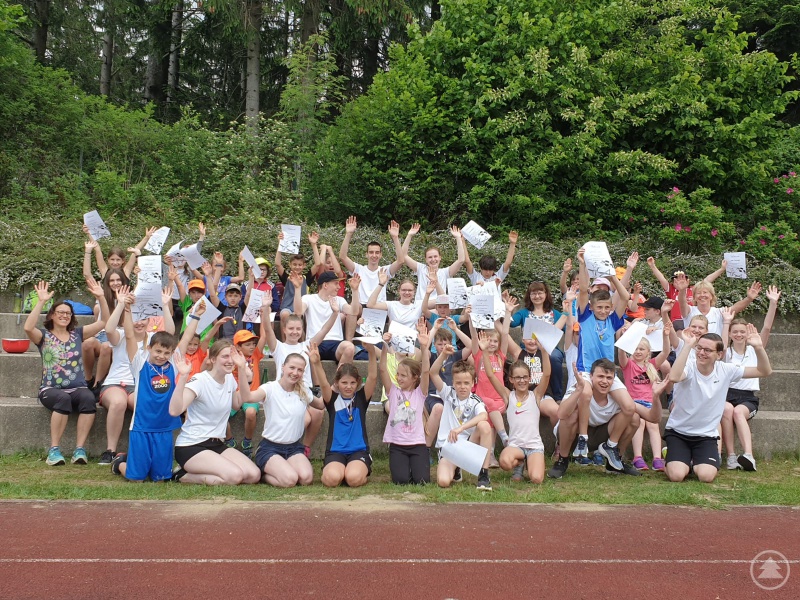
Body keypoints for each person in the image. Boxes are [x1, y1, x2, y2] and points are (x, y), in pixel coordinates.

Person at [655, 327, 772, 483]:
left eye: (708, 350)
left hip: (706, 436)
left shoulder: (726, 369)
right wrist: (688, 345)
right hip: (678, 432)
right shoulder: (689, 366)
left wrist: (758, 347)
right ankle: (674, 456)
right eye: (700, 348)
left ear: (719, 355)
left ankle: (689, 460)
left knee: (706, 476)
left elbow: (764, 371)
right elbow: (675, 377)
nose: (702, 352)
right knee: (676, 476)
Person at [24, 279, 109, 466]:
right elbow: (28, 327)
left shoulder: (77, 334)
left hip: (77, 387)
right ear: (52, 315)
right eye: (60, 312)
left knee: (88, 397)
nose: (64, 316)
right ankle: (54, 451)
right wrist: (40, 302)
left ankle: (80, 450)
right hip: (50, 389)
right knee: (63, 399)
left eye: (68, 313)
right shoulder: (44, 336)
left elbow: (104, 321)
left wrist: (101, 297)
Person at [569, 247, 636, 472]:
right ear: (591, 307)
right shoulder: (585, 315)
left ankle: (611, 445)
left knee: (629, 407)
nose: (605, 310)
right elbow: (583, 294)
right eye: (600, 307)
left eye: (608, 307)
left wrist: (618, 275)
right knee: (585, 393)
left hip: (608, 371)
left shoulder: (613, 320)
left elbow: (624, 297)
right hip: (587, 369)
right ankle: (583, 439)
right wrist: (582, 264)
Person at [109, 292, 186, 481]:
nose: (161, 355)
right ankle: (120, 463)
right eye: (158, 351)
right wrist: (126, 310)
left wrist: (167, 305)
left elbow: (171, 335)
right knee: (136, 478)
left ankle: (146, 463)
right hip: (142, 427)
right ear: (149, 348)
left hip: (163, 428)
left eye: (165, 352)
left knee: (161, 478)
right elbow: (128, 336)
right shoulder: (140, 363)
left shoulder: (173, 364)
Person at [170, 341, 262, 485]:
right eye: (225, 356)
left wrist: (243, 370)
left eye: (232, 356)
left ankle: (202, 471)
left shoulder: (229, 378)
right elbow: (175, 411)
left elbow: (237, 404)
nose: (230, 360)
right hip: (192, 445)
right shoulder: (200, 381)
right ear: (212, 359)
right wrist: (183, 377)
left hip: (216, 444)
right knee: (235, 476)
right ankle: (181, 474)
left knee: (254, 475)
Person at [262, 291, 341, 455]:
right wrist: (265, 308)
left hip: (306, 392)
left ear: (302, 330)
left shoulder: (307, 345)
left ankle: (304, 447)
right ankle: (288, 446)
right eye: (291, 328)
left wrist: (335, 313)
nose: (294, 332)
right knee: (305, 419)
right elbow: (268, 330)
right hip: (284, 392)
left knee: (318, 413)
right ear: (284, 330)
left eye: (298, 329)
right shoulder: (278, 347)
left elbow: (324, 330)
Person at [240, 350, 326, 487]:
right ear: (283, 367)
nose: (295, 372)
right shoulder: (270, 388)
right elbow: (247, 398)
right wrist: (240, 368)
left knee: (306, 478)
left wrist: (319, 367)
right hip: (270, 448)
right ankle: (264, 474)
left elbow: (321, 404)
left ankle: (282, 468)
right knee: (290, 480)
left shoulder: (303, 390)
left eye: (300, 370)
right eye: (292, 367)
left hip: (294, 447)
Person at [721, 285, 780, 471]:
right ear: (730, 334)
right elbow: (721, 347)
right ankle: (730, 456)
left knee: (739, 412)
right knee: (727, 409)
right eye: (735, 331)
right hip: (727, 394)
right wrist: (726, 322)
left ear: (747, 334)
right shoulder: (727, 352)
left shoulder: (754, 349)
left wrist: (773, 303)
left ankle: (748, 455)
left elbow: (768, 327)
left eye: (742, 331)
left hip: (747, 398)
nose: (738, 334)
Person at [549, 361, 643, 478]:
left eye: (609, 378)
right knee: (572, 414)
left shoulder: (617, 393)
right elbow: (561, 414)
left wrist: (655, 395)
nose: (604, 381)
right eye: (600, 376)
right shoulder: (582, 385)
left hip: (597, 436)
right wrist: (579, 390)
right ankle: (562, 460)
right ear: (591, 377)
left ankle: (615, 460)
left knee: (634, 418)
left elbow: (650, 416)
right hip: (574, 437)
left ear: (614, 380)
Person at [482, 332, 551, 484]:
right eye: (518, 377)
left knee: (537, 479)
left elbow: (546, 375)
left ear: (529, 378)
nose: (522, 381)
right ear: (511, 380)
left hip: (534, 446)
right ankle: (519, 464)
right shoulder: (508, 396)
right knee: (505, 462)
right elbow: (490, 375)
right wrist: (485, 352)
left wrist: (544, 352)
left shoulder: (536, 395)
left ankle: (530, 463)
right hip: (516, 446)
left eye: (525, 377)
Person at [310, 343, 378, 488]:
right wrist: (316, 363)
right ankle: (336, 470)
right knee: (331, 480)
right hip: (336, 451)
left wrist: (371, 353)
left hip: (358, 451)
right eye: (344, 382)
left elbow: (372, 377)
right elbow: (322, 383)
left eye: (353, 382)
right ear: (337, 383)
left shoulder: (361, 398)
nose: (348, 386)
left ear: (358, 382)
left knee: (353, 479)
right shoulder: (332, 398)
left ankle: (359, 472)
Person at [429, 342, 492, 490]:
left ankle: (484, 474)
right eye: (458, 383)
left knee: (484, 425)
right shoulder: (448, 393)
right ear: (453, 383)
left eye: (466, 383)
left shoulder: (475, 400)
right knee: (443, 482)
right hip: (449, 447)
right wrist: (444, 354)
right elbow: (433, 373)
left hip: (468, 445)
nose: (462, 386)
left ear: (473, 383)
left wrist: (460, 428)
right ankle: (456, 468)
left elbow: (483, 415)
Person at [380, 331, 431, 484]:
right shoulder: (393, 392)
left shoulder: (420, 393)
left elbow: (426, 371)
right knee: (400, 481)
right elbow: (382, 369)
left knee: (422, 481)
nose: (398, 378)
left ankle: (415, 468)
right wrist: (384, 345)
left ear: (415, 377)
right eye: (398, 374)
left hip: (418, 446)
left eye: (403, 375)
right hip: (397, 446)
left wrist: (423, 347)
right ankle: (404, 469)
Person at [618, 327, 671, 471]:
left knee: (653, 425)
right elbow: (621, 353)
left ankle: (657, 458)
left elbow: (666, 352)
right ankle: (637, 457)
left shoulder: (652, 365)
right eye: (635, 348)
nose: (638, 351)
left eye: (642, 349)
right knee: (640, 422)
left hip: (649, 403)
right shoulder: (628, 364)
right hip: (634, 403)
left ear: (648, 352)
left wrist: (666, 336)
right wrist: (625, 338)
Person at [509, 280, 567, 401]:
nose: (537, 296)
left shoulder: (554, 313)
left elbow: (567, 328)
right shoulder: (524, 313)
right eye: (533, 293)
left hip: (550, 349)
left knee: (555, 357)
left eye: (540, 293)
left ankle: (557, 396)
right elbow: (512, 323)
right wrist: (506, 311)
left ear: (546, 294)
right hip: (528, 348)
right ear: (529, 296)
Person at [424, 318, 473, 449]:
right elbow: (423, 347)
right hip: (434, 396)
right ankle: (426, 448)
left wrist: (456, 329)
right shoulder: (432, 357)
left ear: (451, 343)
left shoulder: (455, 356)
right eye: (440, 344)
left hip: (454, 397)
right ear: (435, 345)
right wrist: (434, 329)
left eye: (446, 343)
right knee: (438, 408)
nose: (443, 346)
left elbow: (471, 346)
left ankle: (459, 447)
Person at [339, 217, 406, 308]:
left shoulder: (385, 270)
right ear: (366, 254)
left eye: (377, 252)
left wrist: (395, 238)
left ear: (381, 255)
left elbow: (400, 261)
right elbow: (343, 257)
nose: (374, 255)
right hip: (361, 306)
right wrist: (348, 234)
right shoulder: (359, 269)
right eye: (371, 252)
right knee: (353, 308)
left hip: (378, 306)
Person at [225, 324, 269, 457]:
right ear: (237, 346)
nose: (252, 346)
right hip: (234, 395)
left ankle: (247, 442)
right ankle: (229, 440)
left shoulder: (255, 354)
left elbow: (264, 337)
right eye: (247, 344)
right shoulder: (229, 358)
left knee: (250, 413)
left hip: (251, 394)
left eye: (253, 343)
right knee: (220, 412)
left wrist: (263, 316)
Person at [293, 271, 356, 364]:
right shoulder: (309, 298)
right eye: (336, 283)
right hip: (315, 343)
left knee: (350, 347)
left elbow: (354, 312)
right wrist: (297, 289)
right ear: (325, 285)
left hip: (336, 343)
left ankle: (339, 378)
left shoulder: (339, 300)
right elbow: (298, 312)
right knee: (305, 354)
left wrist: (355, 290)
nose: (339, 287)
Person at [645, 257, 726, 326]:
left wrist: (722, 269)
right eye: (676, 279)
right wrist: (652, 266)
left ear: (687, 280)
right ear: (672, 282)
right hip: (677, 323)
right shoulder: (671, 290)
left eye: (682, 278)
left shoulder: (693, 289)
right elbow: (661, 278)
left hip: (693, 323)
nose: (680, 281)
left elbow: (708, 280)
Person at [675, 274, 760, 336]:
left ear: (711, 296)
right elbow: (682, 302)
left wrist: (749, 299)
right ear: (694, 297)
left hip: (714, 353)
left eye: (705, 292)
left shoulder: (719, 312)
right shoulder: (689, 311)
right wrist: (682, 290)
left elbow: (736, 308)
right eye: (698, 293)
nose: (702, 295)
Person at [399, 224, 465, 303]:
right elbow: (403, 255)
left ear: (440, 257)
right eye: (430, 257)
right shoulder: (421, 268)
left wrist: (458, 238)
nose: (433, 259)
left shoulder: (445, 272)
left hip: (438, 307)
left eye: (435, 256)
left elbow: (461, 260)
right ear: (426, 259)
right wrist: (409, 235)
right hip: (421, 306)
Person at [366, 270, 435, 328]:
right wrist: (381, 284)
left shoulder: (419, 304)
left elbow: (443, 300)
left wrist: (432, 287)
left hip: (413, 341)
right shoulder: (391, 305)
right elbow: (370, 305)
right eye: (404, 290)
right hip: (393, 341)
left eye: (410, 290)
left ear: (414, 292)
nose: (407, 292)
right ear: (399, 291)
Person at [275, 233, 315, 319]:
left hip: (302, 308)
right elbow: (278, 264)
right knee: (284, 314)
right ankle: (284, 333)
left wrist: (313, 244)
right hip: (287, 308)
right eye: (294, 264)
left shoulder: (306, 278)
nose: (297, 267)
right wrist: (280, 244)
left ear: (304, 265)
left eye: (300, 265)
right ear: (290, 264)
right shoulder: (287, 278)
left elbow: (318, 264)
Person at [308, 232, 346, 297]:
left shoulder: (340, 275)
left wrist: (331, 251)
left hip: (338, 303)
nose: (331, 265)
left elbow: (337, 270)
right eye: (328, 263)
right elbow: (321, 263)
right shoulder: (322, 275)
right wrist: (323, 250)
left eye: (333, 262)